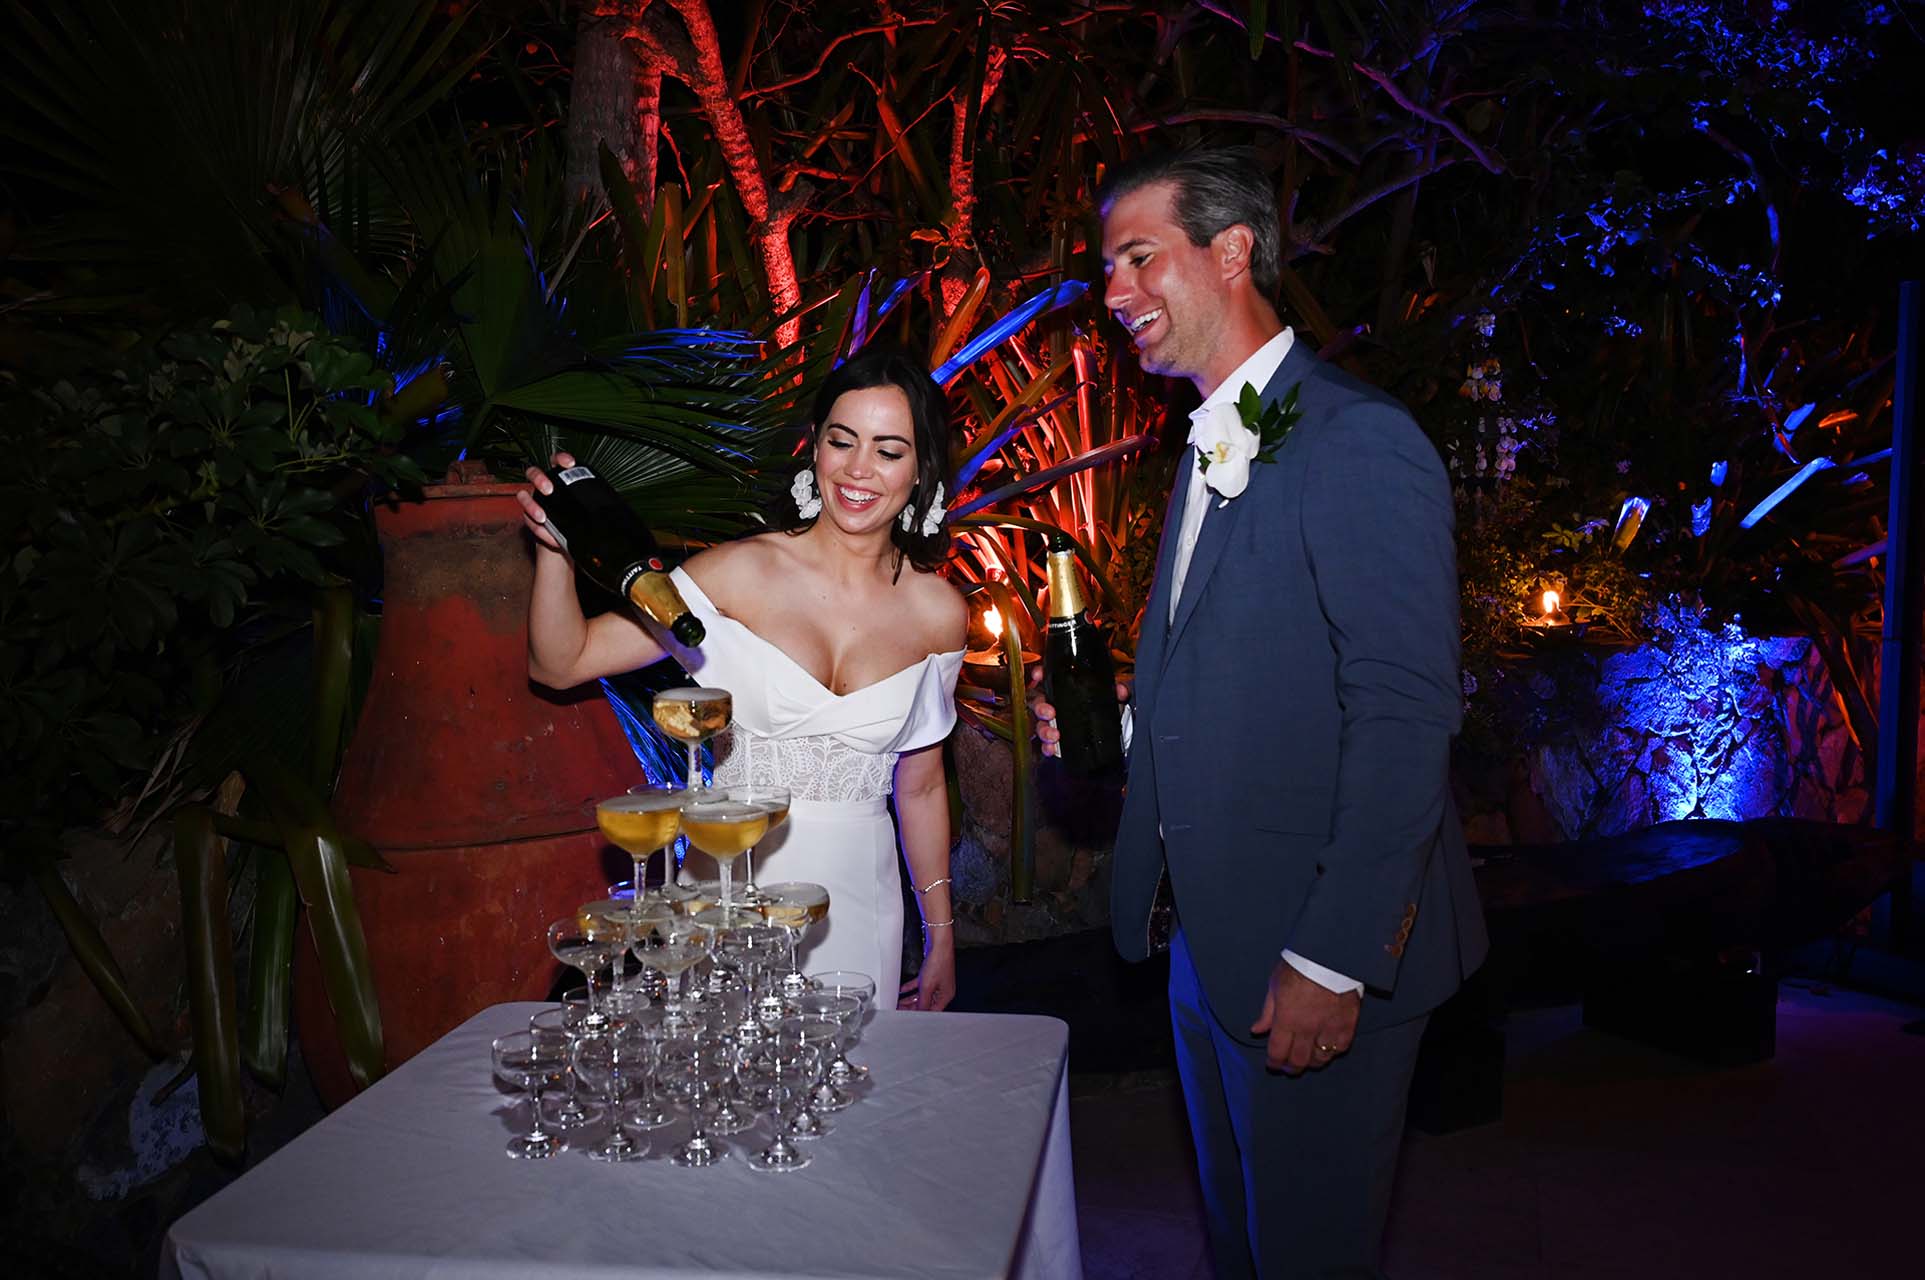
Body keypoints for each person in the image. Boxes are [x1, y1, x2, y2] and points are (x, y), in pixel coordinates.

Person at [1037, 148, 1488, 1277]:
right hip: (1211, 942)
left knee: (1306, 1252)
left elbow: (1402, 713)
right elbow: (1263, 675)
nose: (1114, 292)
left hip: (1314, 943)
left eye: (1138, 258)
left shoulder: (1354, 437)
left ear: (1232, 249)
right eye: (1107, 269)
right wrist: (1123, 733)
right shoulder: (1211, 441)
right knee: (1243, 1245)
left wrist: (1333, 958)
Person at [518, 344, 968, 1011]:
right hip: (730, 891)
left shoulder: (940, 613)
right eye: (841, 441)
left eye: (888, 450)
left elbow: (922, 785)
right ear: (814, 447)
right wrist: (557, 554)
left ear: (921, 469)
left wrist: (941, 937)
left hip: (861, 907)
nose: (858, 469)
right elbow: (561, 663)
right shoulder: (736, 574)